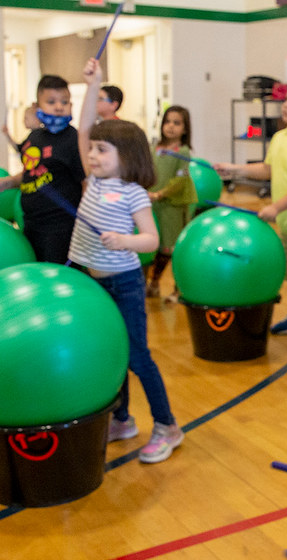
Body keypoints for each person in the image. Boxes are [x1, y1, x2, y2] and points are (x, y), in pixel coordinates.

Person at [73, 58, 183, 464]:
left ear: (127, 155)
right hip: (92, 279)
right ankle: (122, 418)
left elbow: (151, 239)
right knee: (109, 350)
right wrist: (94, 84)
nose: (92, 154)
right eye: (92, 150)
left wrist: (124, 240)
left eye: (102, 150)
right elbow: (85, 129)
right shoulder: (95, 180)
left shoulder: (133, 193)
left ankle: (168, 426)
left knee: (137, 355)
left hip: (123, 282)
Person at [215, 79, 287, 355]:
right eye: (286, 99)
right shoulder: (281, 137)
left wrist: (276, 207)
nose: (285, 105)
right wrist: (235, 170)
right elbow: (269, 169)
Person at [0, 74, 86, 263]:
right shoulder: (35, 137)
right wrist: (6, 183)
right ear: (37, 106)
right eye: (51, 101)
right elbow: (31, 173)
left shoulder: (74, 140)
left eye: (65, 101)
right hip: (31, 222)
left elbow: (86, 181)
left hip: (61, 227)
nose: (58, 106)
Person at [147, 105, 197, 302]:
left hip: (173, 205)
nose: (170, 126)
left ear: (185, 129)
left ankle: (178, 290)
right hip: (154, 203)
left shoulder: (182, 151)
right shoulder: (155, 148)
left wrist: (161, 194)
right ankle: (154, 283)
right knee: (157, 247)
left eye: (177, 123)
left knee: (172, 248)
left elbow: (181, 180)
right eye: (167, 122)